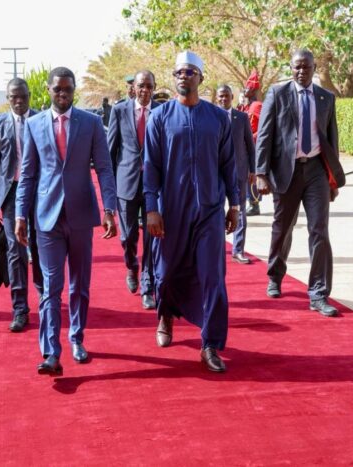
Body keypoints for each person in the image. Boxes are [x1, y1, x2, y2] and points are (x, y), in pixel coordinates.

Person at [15, 66, 117, 376]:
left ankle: (76, 337)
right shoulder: (34, 125)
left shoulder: (91, 123)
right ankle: (51, 352)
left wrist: (109, 208)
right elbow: (28, 173)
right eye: (57, 89)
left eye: (68, 89)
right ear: (48, 90)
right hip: (47, 218)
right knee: (51, 287)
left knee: (79, 285)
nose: (62, 94)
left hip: (81, 215)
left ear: (74, 91)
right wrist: (20, 214)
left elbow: (104, 168)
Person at [144, 51, 240, 373]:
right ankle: (165, 315)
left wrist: (234, 205)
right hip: (171, 211)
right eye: (179, 72)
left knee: (213, 278)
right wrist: (152, 208)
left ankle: (210, 344)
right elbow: (151, 167)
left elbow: (229, 164)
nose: (183, 77)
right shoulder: (160, 117)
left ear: (201, 77)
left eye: (189, 72)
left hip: (209, 211)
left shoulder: (218, 118)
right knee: (167, 272)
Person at [255, 49, 346, 317]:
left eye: (306, 67)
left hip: (317, 171)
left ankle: (319, 293)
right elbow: (265, 135)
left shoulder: (326, 97)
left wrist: (332, 179)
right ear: (291, 68)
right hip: (287, 171)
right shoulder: (277, 93)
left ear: (314, 68)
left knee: (320, 231)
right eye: (297, 67)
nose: (301, 71)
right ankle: (275, 275)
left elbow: (331, 140)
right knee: (282, 227)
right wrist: (260, 173)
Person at [0, 78, 43, 332]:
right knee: (15, 250)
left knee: (41, 246)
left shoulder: (42, 120)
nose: (19, 101)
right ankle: (20, 308)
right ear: (7, 98)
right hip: (10, 194)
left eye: (23, 96)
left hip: (39, 192)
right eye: (13, 97)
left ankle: (45, 297)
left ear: (29, 95)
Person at [107, 70, 159, 310]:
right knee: (128, 236)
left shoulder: (161, 111)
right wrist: (108, 189)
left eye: (149, 86)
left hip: (153, 185)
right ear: (134, 87)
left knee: (151, 237)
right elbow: (111, 151)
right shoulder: (119, 111)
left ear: (154, 87)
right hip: (126, 183)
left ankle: (148, 286)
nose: (145, 90)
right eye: (141, 85)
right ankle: (132, 266)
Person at [215, 84, 256, 264]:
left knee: (239, 211)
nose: (224, 99)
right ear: (217, 98)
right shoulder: (210, 117)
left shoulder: (242, 117)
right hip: (216, 174)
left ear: (232, 97)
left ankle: (238, 250)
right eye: (221, 96)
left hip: (239, 173)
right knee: (216, 211)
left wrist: (253, 170)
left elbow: (250, 147)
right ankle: (216, 249)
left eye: (227, 96)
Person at [241, 70, 263, 216]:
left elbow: (263, 127)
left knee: (252, 174)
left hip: (254, 146)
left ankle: (255, 204)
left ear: (253, 90)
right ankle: (250, 201)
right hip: (246, 146)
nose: (245, 90)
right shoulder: (247, 106)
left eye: (247, 88)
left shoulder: (257, 105)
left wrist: (250, 137)